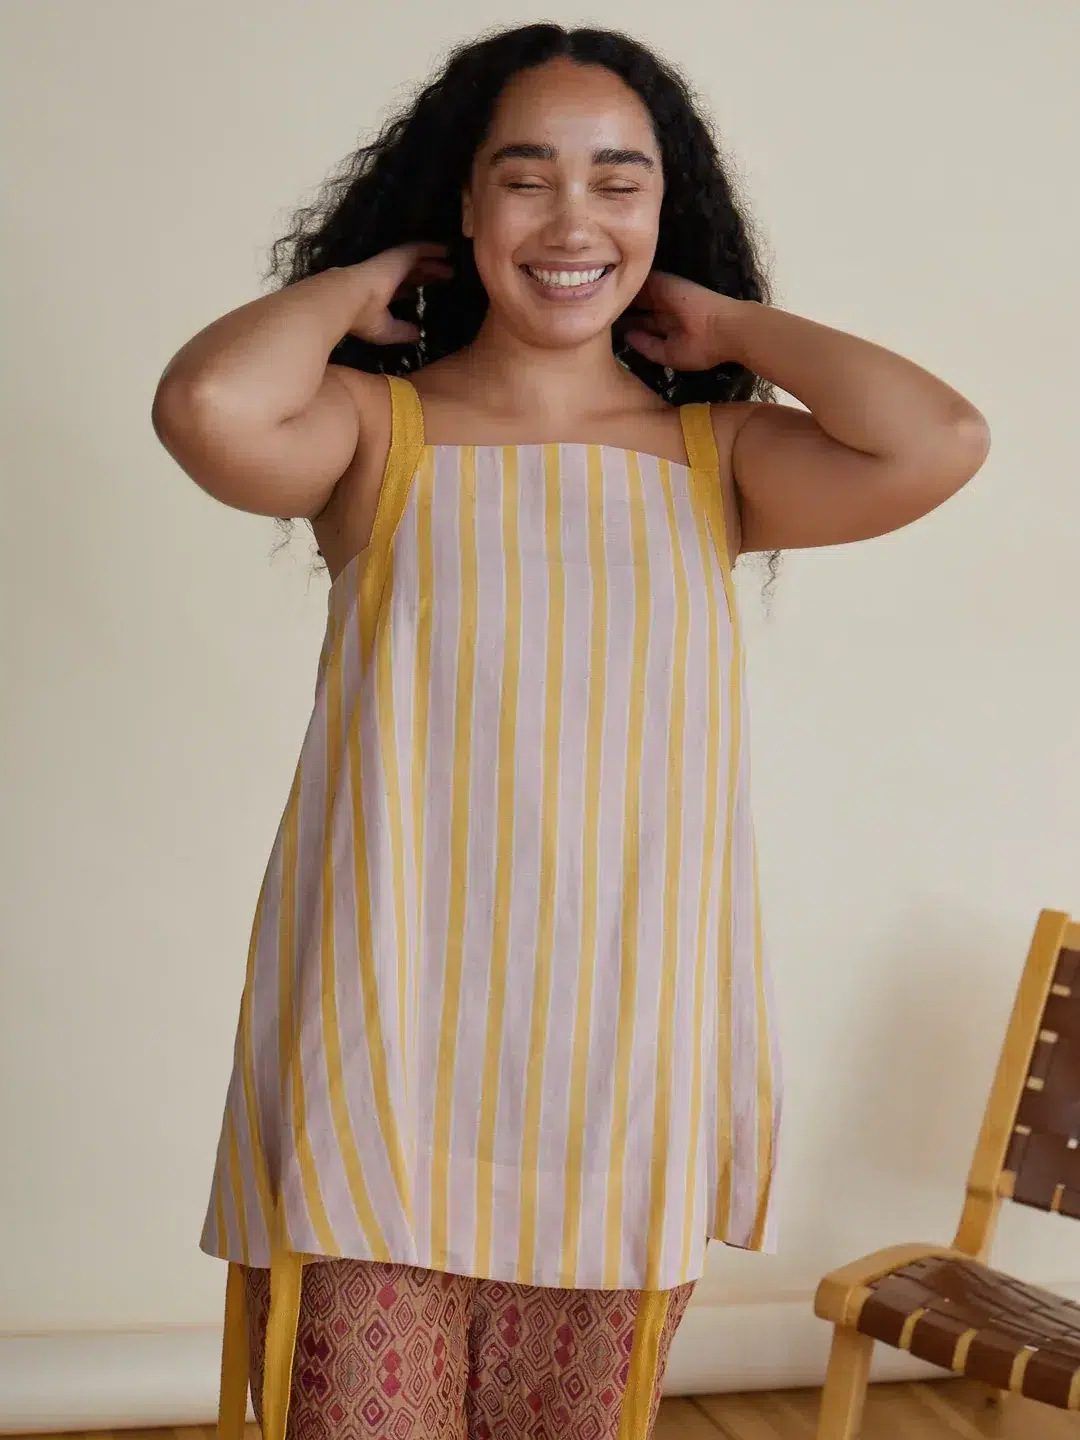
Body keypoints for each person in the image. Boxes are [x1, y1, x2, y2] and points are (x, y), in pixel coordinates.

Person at [151, 22, 990, 1440]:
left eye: (620, 181)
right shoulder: (373, 433)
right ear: (463, 208)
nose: (572, 219)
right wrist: (358, 282)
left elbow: (940, 439)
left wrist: (727, 329)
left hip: (616, 1076)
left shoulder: (715, 461)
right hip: (382, 1061)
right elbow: (208, 404)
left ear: (667, 216)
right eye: (526, 177)